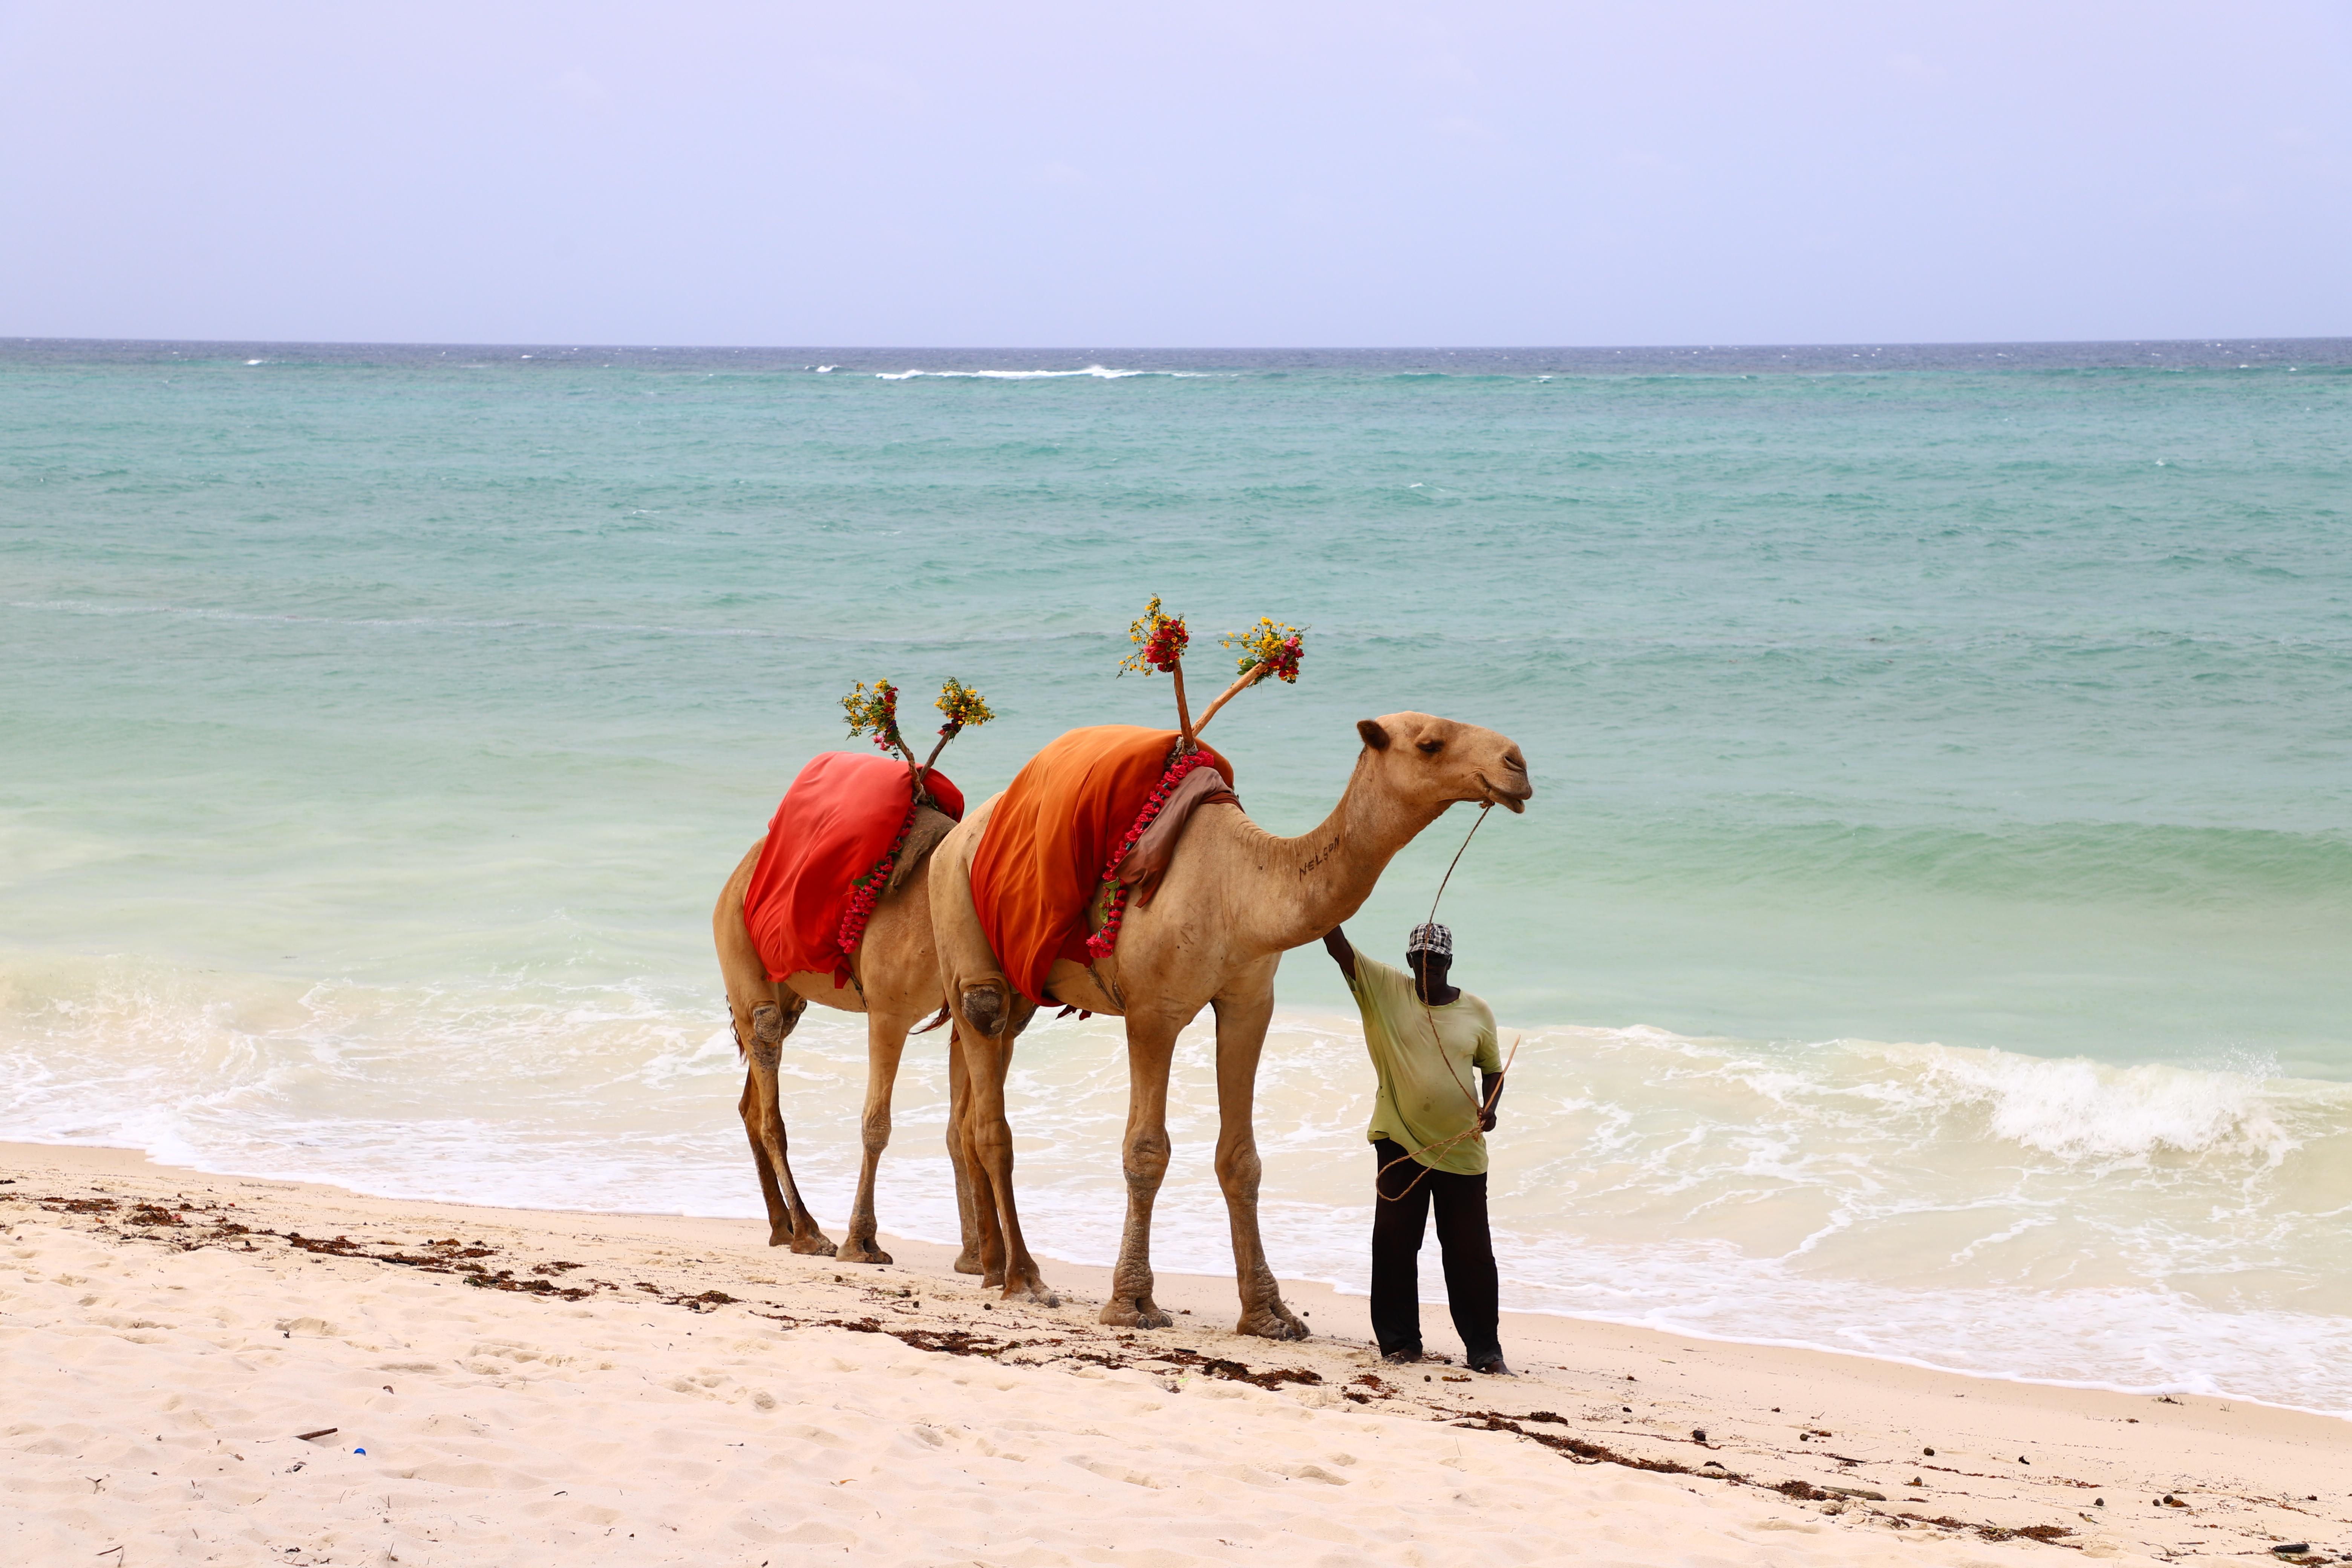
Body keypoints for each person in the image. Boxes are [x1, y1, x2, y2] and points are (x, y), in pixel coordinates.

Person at [1321, 920, 1508, 1374]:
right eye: (1421, 960)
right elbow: (1339, 948)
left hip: (1460, 1150)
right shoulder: (1386, 989)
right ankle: (1401, 1343)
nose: (1429, 969)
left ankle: (1485, 1350)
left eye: (1438, 961)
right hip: (1399, 1139)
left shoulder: (1477, 1011)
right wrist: (1327, 891)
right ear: (1410, 961)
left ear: (1449, 962)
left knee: (1470, 1252)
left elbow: (1492, 1070)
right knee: (1394, 1242)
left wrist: (1490, 1108)